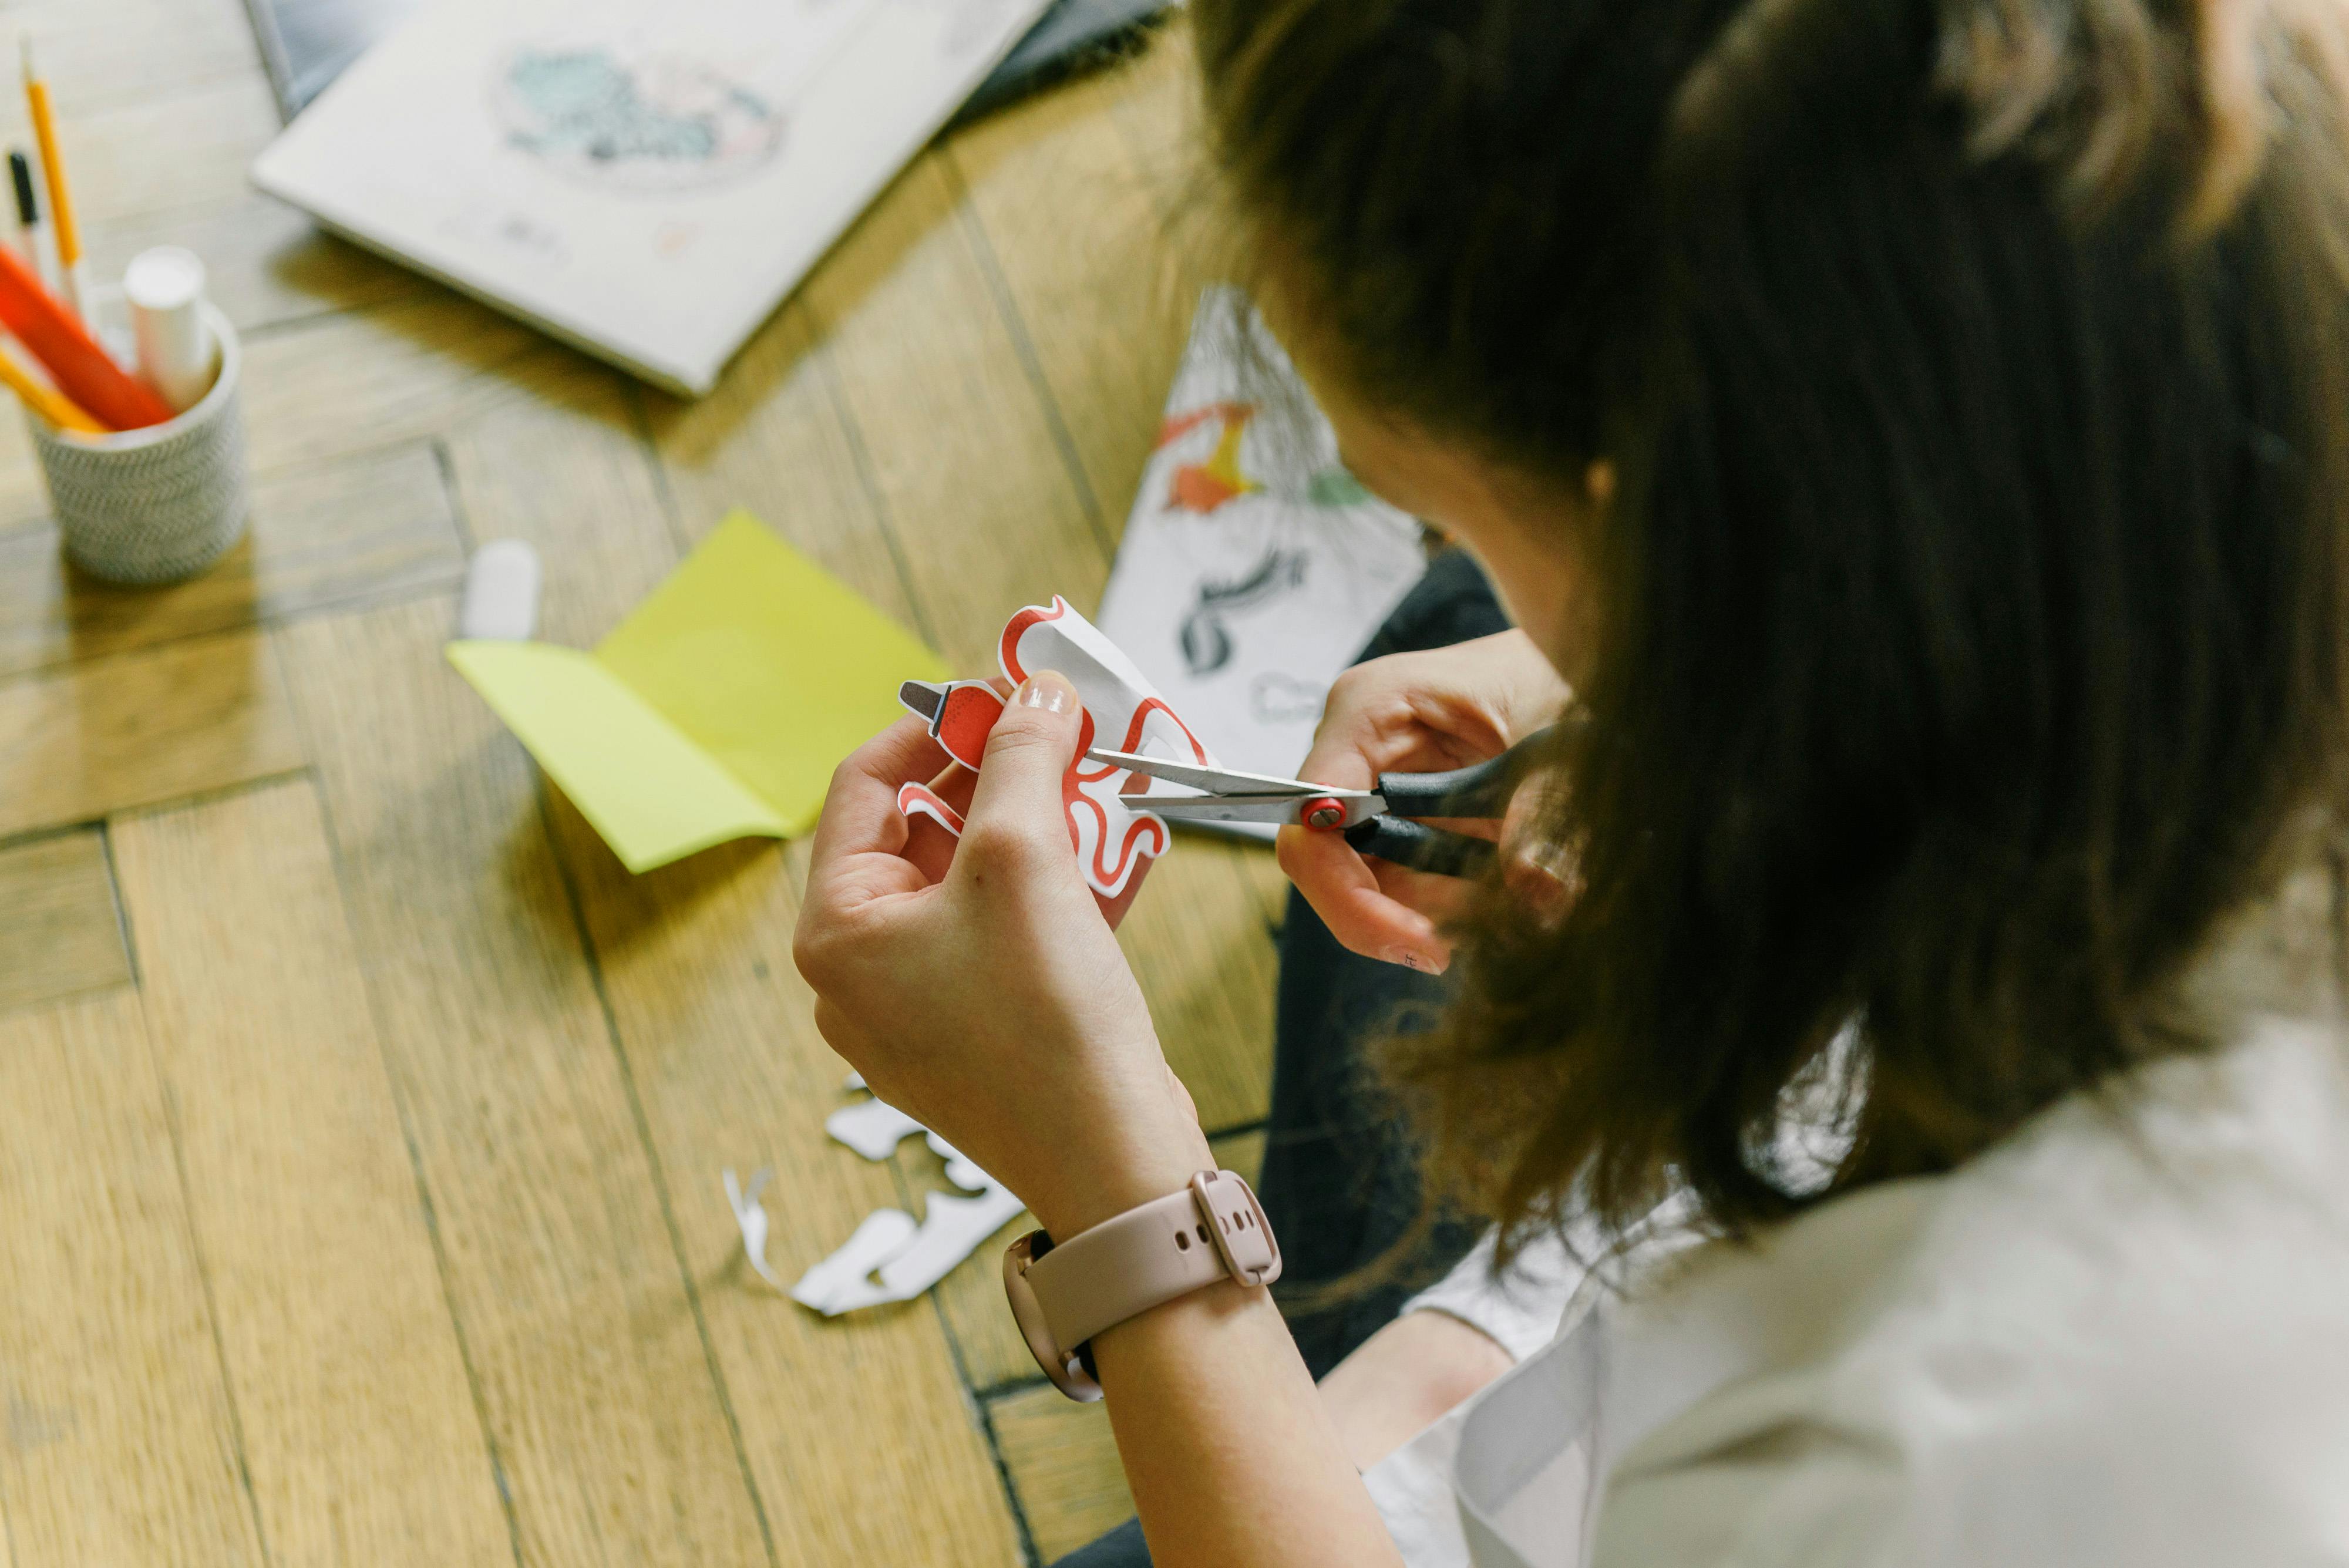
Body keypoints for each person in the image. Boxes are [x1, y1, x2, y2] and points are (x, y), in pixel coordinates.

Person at [792, 0, 2349, 1562]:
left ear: (1694, 538)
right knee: (1461, 648)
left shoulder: (1931, 1448)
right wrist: (1672, 722)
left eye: (1441, 499)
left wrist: (1116, 1184)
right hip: (1649, 1318)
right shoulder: (2239, 244)